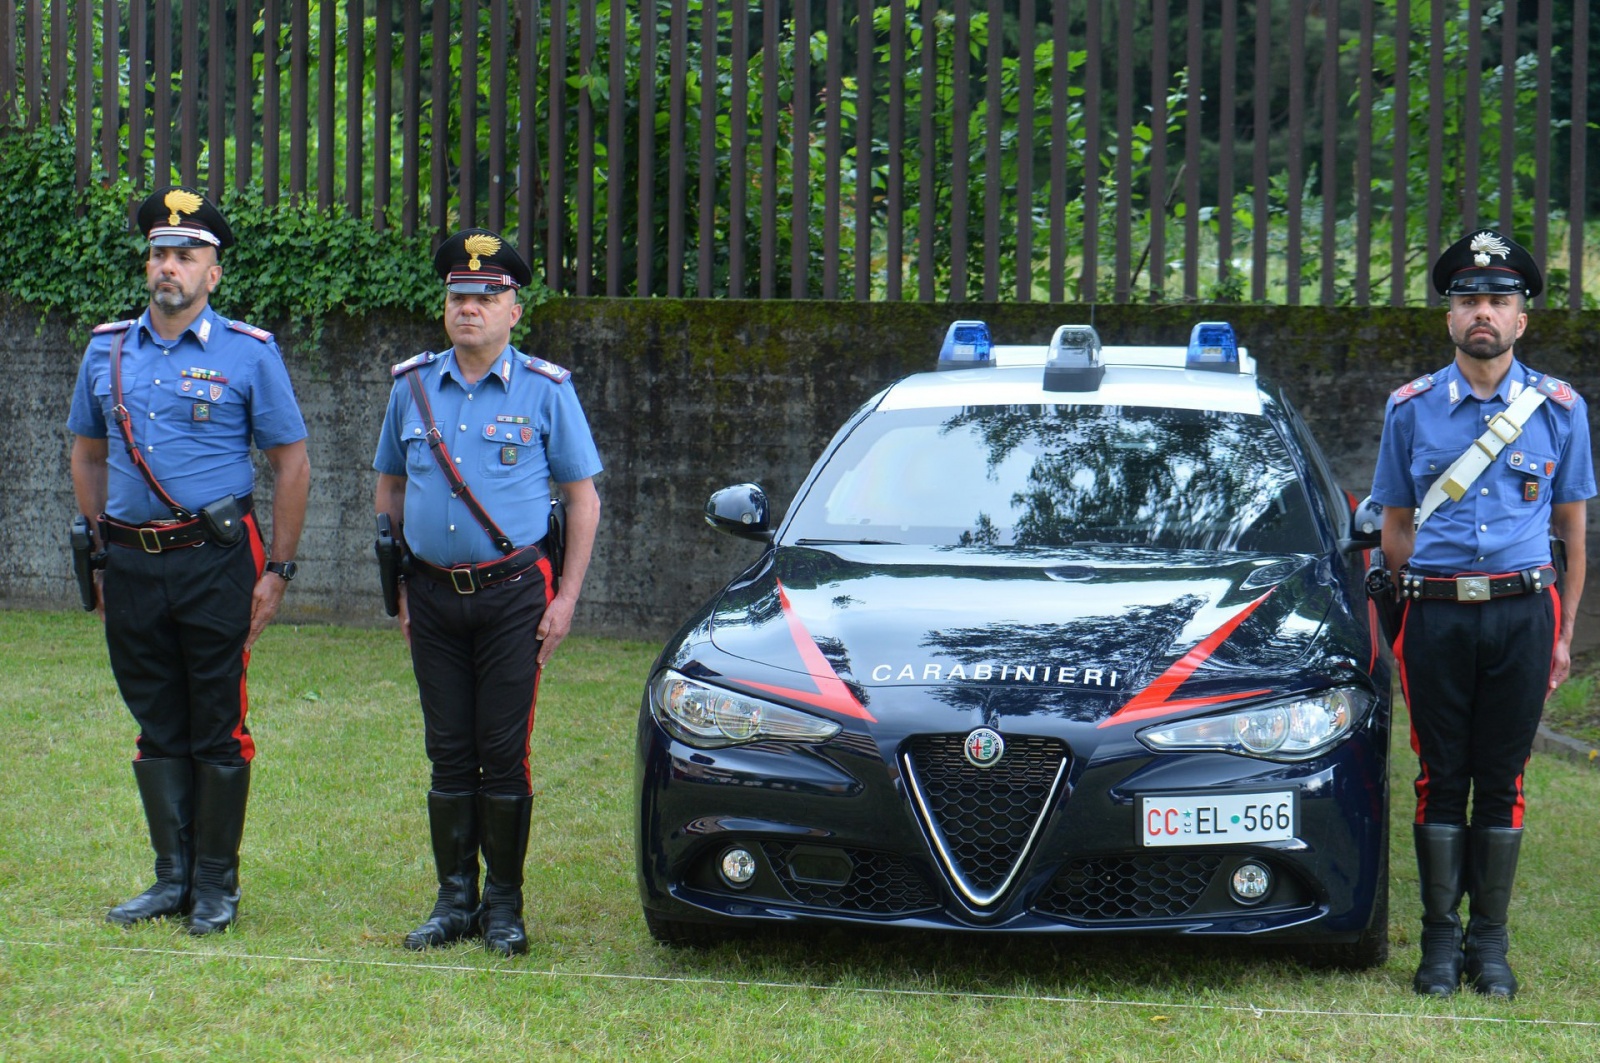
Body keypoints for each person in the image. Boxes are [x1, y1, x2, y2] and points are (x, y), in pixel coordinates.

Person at [67, 185, 311, 934]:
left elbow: (291, 463)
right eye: (159, 253)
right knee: (154, 718)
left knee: (216, 721)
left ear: (214, 273)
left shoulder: (248, 353)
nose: (168, 265)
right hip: (133, 563)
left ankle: (215, 884)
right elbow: (86, 451)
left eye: (185, 254)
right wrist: (100, 552)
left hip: (216, 560)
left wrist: (279, 570)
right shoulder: (106, 349)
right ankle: (169, 877)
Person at [1371, 229, 1593, 999]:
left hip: (1524, 615)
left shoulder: (1562, 410)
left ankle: (1489, 948)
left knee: (1503, 776)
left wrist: (1563, 634)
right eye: (1469, 300)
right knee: (1440, 777)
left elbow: (1572, 529)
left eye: (1499, 300)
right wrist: (1402, 625)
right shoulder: (1411, 410)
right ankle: (1439, 945)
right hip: (1435, 616)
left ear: (1521, 319)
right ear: (1450, 316)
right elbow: (1395, 527)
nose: (1483, 313)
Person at [372, 228, 602, 956]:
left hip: (513, 596)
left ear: (514, 310)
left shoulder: (546, 390)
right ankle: (453, 900)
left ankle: (503, 905)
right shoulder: (411, 387)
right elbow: (388, 486)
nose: (468, 306)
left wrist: (565, 597)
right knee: (447, 749)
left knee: (502, 750)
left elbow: (583, 497)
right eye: (458, 295)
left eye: (486, 296)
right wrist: (398, 586)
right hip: (432, 595)